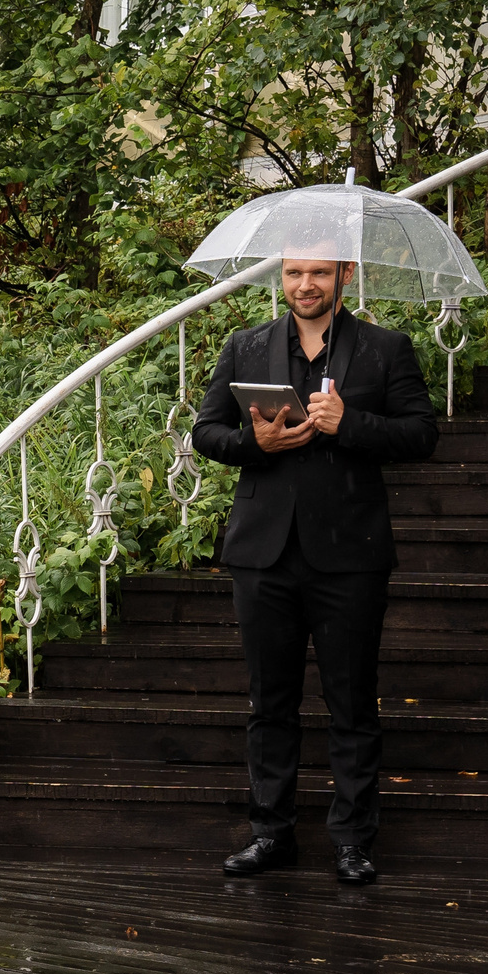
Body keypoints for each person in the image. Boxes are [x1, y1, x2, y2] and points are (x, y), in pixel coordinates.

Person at [190, 256, 439, 887]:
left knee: (351, 701)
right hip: (262, 553)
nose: (306, 285)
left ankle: (353, 841)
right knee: (269, 701)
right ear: (282, 278)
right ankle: (271, 833)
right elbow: (206, 432)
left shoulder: (385, 348)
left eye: (320, 274)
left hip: (350, 554)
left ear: (344, 275)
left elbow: (422, 435)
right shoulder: (246, 346)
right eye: (295, 273)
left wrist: (350, 423)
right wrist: (254, 445)